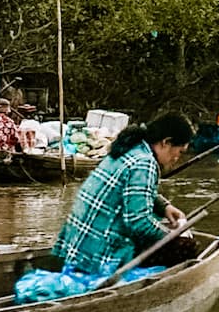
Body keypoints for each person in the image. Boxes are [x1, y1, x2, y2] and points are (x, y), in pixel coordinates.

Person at [55, 114, 193, 278]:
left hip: (76, 246)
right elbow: (138, 222)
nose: (177, 158)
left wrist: (164, 207)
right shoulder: (144, 162)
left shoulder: (129, 149)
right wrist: (172, 237)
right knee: (185, 248)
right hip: (98, 257)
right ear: (166, 142)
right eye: (179, 151)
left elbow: (131, 190)